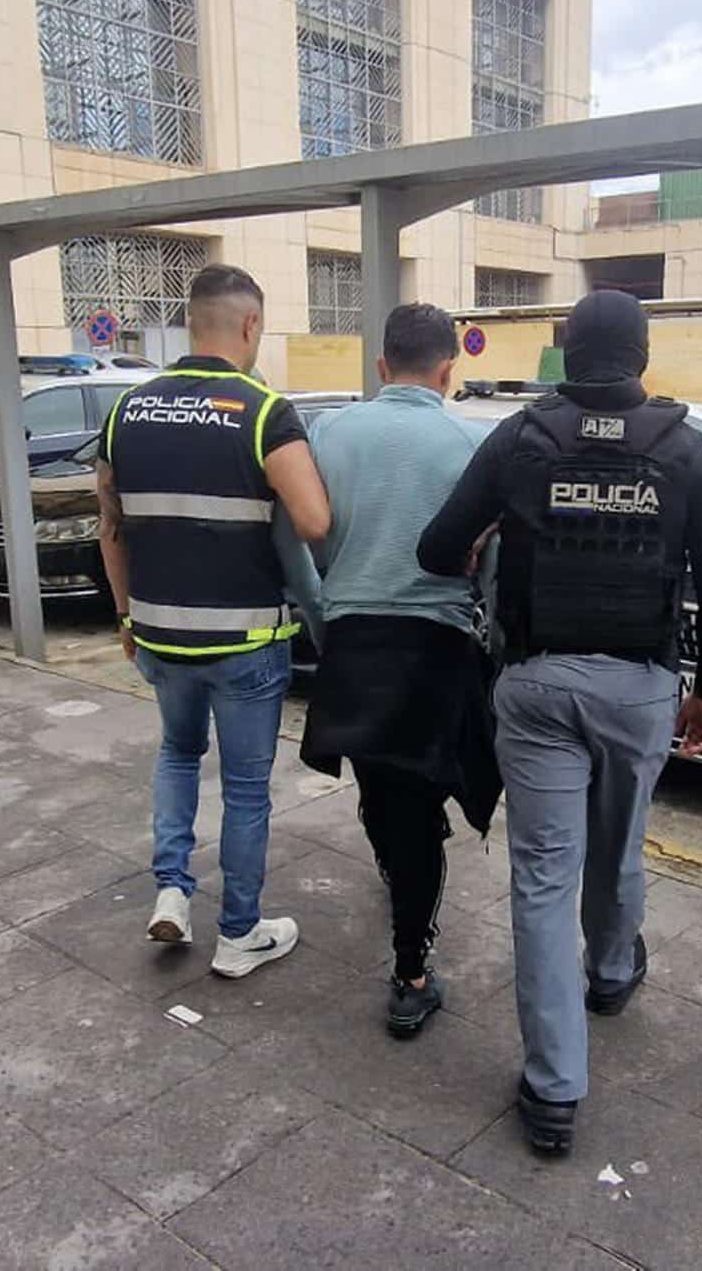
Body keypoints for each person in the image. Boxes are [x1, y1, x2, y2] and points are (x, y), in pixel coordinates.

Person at [418, 289, 702, 1157]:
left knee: (543, 878)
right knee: (621, 842)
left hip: (537, 684)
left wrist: (489, 538)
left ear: (564, 353)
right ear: (640, 355)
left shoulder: (521, 436)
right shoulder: (685, 447)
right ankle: (610, 973)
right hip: (640, 688)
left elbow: (436, 549)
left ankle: (554, 1089)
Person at [96, 263, 331, 980]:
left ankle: (172, 887)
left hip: (160, 635)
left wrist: (126, 616)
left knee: (176, 754)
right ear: (250, 326)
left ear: (189, 322)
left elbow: (110, 525)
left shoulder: (126, 409)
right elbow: (314, 520)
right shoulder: (263, 411)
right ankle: (239, 932)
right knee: (246, 789)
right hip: (246, 643)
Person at [281, 303, 501, 1038]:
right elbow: (492, 565)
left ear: (381, 367)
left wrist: (321, 616)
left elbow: (293, 535)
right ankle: (410, 973)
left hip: (352, 641)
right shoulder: (473, 443)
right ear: (448, 371)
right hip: (435, 651)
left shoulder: (329, 431)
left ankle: (402, 871)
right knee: (414, 812)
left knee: (383, 793)